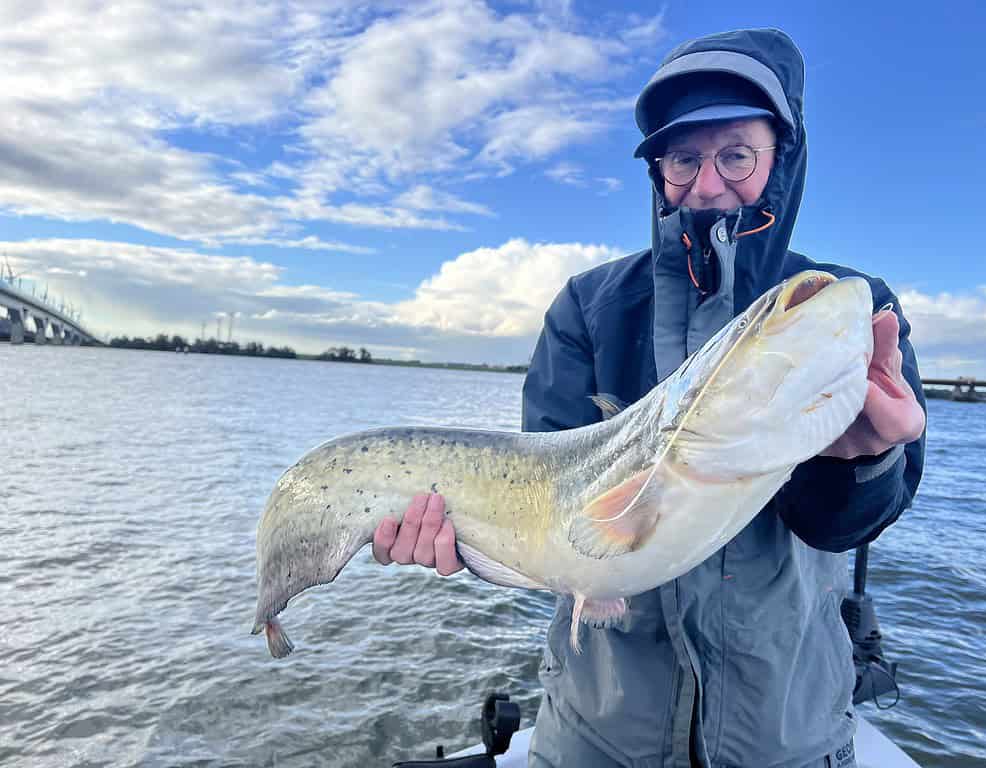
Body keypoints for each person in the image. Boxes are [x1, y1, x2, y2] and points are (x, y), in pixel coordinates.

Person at [373, 28, 926, 768]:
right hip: (596, 733)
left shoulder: (841, 311)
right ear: (656, 168)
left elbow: (845, 525)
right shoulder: (589, 306)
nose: (705, 184)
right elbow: (548, 519)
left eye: (736, 153)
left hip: (786, 734)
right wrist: (464, 538)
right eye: (682, 157)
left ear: (782, 159)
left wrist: (864, 459)